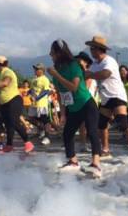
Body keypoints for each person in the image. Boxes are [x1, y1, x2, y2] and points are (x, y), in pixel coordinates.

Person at [47, 39, 102, 177]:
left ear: (59, 53)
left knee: (92, 132)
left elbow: (73, 87)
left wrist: (56, 76)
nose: (50, 55)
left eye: (52, 53)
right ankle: (73, 161)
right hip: (73, 108)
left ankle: (96, 164)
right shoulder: (57, 70)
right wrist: (63, 114)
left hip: (86, 104)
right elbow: (61, 94)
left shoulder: (74, 65)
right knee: (67, 133)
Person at [84, 35, 128, 158]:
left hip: (116, 95)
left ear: (99, 49)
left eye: (92, 48)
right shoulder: (94, 65)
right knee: (101, 125)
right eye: (90, 48)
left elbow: (105, 74)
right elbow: (86, 76)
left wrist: (90, 75)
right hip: (105, 98)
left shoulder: (109, 61)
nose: (91, 51)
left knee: (122, 123)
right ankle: (106, 149)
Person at [0, 56, 34, 153]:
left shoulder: (7, 72)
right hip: (4, 103)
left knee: (14, 122)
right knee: (8, 124)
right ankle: (9, 145)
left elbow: (5, 83)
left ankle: (28, 142)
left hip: (13, 100)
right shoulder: (0, 75)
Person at [76, 51, 96, 152]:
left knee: (90, 126)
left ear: (86, 62)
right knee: (82, 125)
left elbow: (86, 88)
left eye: (80, 59)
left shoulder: (88, 73)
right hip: (81, 101)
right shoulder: (79, 73)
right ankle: (83, 144)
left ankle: (95, 147)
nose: (78, 61)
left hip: (88, 100)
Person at [29, 63, 51, 145]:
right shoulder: (34, 79)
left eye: (37, 69)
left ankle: (47, 137)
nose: (35, 70)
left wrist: (37, 98)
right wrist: (29, 93)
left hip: (42, 103)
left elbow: (46, 91)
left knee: (45, 120)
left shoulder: (45, 79)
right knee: (30, 118)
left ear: (42, 70)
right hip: (34, 103)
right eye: (35, 69)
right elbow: (32, 89)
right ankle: (41, 130)